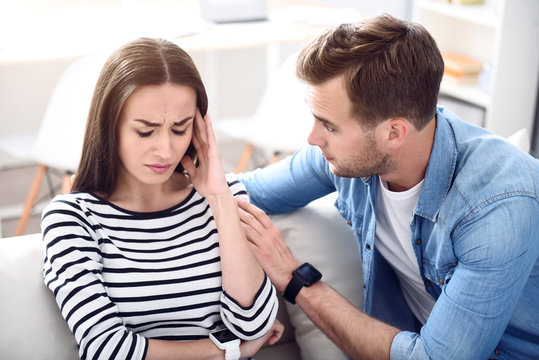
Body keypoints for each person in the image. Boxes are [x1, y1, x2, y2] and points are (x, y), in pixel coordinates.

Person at [236, 14, 539, 360]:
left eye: (330, 127)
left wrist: (297, 280)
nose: (312, 138)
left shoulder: (496, 209)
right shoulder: (351, 157)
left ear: (394, 133)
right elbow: (248, 189)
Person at [41, 37, 282, 360]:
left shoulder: (225, 198)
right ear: (109, 127)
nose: (166, 150)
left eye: (180, 129)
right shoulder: (73, 218)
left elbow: (253, 324)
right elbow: (106, 348)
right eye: (145, 131)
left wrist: (219, 198)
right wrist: (226, 352)